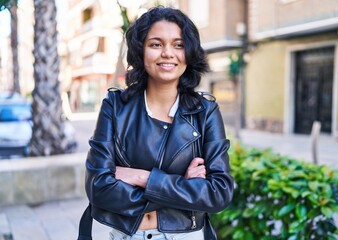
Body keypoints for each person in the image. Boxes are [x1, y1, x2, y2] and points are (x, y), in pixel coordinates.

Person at [83, 6, 234, 240]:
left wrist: (143, 178)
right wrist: (182, 185)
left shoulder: (205, 111)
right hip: (127, 236)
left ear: (189, 53)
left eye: (178, 45)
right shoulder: (115, 106)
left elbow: (218, 193)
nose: (167, 53)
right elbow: (98, 188)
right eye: (156, 44)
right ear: (140, 51)